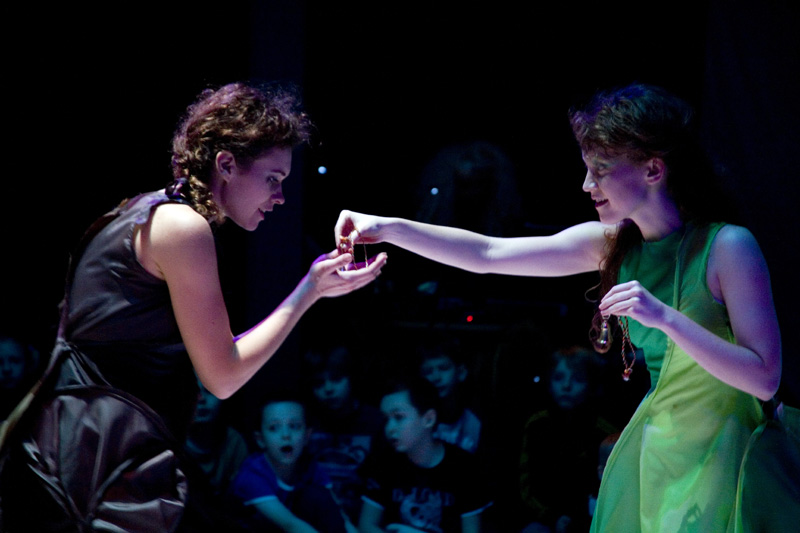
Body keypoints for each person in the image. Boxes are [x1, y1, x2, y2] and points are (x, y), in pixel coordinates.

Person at [335, 83, 782, 531]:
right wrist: (388, 228)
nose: (587, 184)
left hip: (730, 451)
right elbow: (489, 253)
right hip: (660, 445)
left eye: (600, 170)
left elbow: (764, 379)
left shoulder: (727, 246)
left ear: (653, 168)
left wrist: (665, 318)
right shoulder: (614, 245)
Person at [0, 82, 386, 532]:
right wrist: (310, 291)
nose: (280, 196)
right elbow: (222, 376)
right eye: (273, 179)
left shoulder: (145, 210)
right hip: (94, 461)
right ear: (226, 164)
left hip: (80, 442)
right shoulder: (183, 228)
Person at [358, 375, 493, 533]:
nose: (390, 428)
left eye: (399, 417)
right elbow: (366, 525)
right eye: (386, 419)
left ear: (428, 419)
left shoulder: (465, 468)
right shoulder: (383, 463)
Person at [518, 346, 618, 533]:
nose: (566, 386)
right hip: (545, 518)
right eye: (558, 378)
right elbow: (526, 483)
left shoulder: (603, 431)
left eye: (577, 379)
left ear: (591, 384)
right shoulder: (537, 425)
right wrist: (551, 517)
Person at [228, 392, 352, 532]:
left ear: (307, 436)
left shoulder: (310, 467)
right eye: (274, 428)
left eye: (294, 426)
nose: (286, 435)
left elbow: (340, 516)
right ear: (260, 439)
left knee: (318, 495)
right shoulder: (252, 474)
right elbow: (290, 524)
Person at [302, 345, 385, 522]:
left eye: (336, 379)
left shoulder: (375, 422)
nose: (328, 389)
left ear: (350, 378)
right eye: (319, 383)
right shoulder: (306, 422)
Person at [417, 334, 483, 454]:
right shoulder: (415, 417)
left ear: (461, 372)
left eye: (444, 368)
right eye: (428, 371)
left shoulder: (477, 418)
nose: (436, 377)